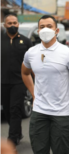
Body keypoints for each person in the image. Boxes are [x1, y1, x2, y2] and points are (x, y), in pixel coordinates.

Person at [21, 15, 69, 154]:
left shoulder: (68, 53)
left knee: (61, 151)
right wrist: (34, 94)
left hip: (61, 113)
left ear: (56, 31)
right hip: (39, 111)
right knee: (39, 150)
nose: (45, 29)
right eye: (42, 27)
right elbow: (25, 72)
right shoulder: (31, 53)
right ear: (37, 31)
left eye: (49, 26)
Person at [0, 14, 33, 146]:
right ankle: (18, 132)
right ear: (4, 25)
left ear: (18, 24)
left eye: (15, 23)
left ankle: (12, 138)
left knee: (15, 109)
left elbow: (33, 63)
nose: (12, 25)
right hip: (2, 82)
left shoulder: (26, 41)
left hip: (20, 82)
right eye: (9, 23)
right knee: (7, 110)